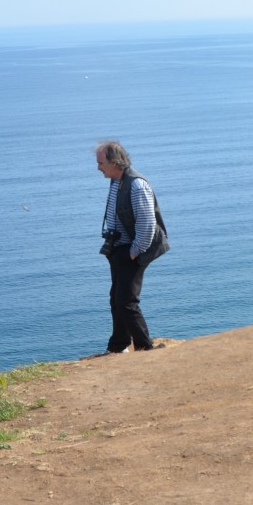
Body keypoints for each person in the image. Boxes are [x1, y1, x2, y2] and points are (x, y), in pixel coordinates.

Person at [95, 140, 168, 353]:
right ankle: (119, 345)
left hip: (132, 250)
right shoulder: (117, 181)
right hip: (120, 248)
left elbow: (147, 226)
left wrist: (133, 253)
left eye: (101, 162)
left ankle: (145, 347)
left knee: (127, 302)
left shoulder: (136, 185)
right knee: (116, 299)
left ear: (115, 162)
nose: (98, 167)